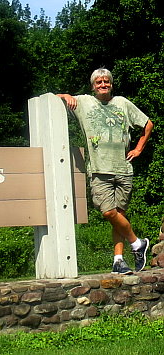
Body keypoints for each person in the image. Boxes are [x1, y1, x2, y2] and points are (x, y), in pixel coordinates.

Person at [57, 68, 154, 275]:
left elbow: (148, 124)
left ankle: (118, 261)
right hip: (99, 169)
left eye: (106, 81)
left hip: (123, 168)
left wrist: (138, 149)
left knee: (119, 215)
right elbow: (52, 100)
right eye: (99, 82)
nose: (103, 85)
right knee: (108, 212)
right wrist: (65, 96)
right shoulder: (83, 102)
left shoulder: (122, 103)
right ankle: (138, 244)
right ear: (93, 86)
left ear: (111, 84)